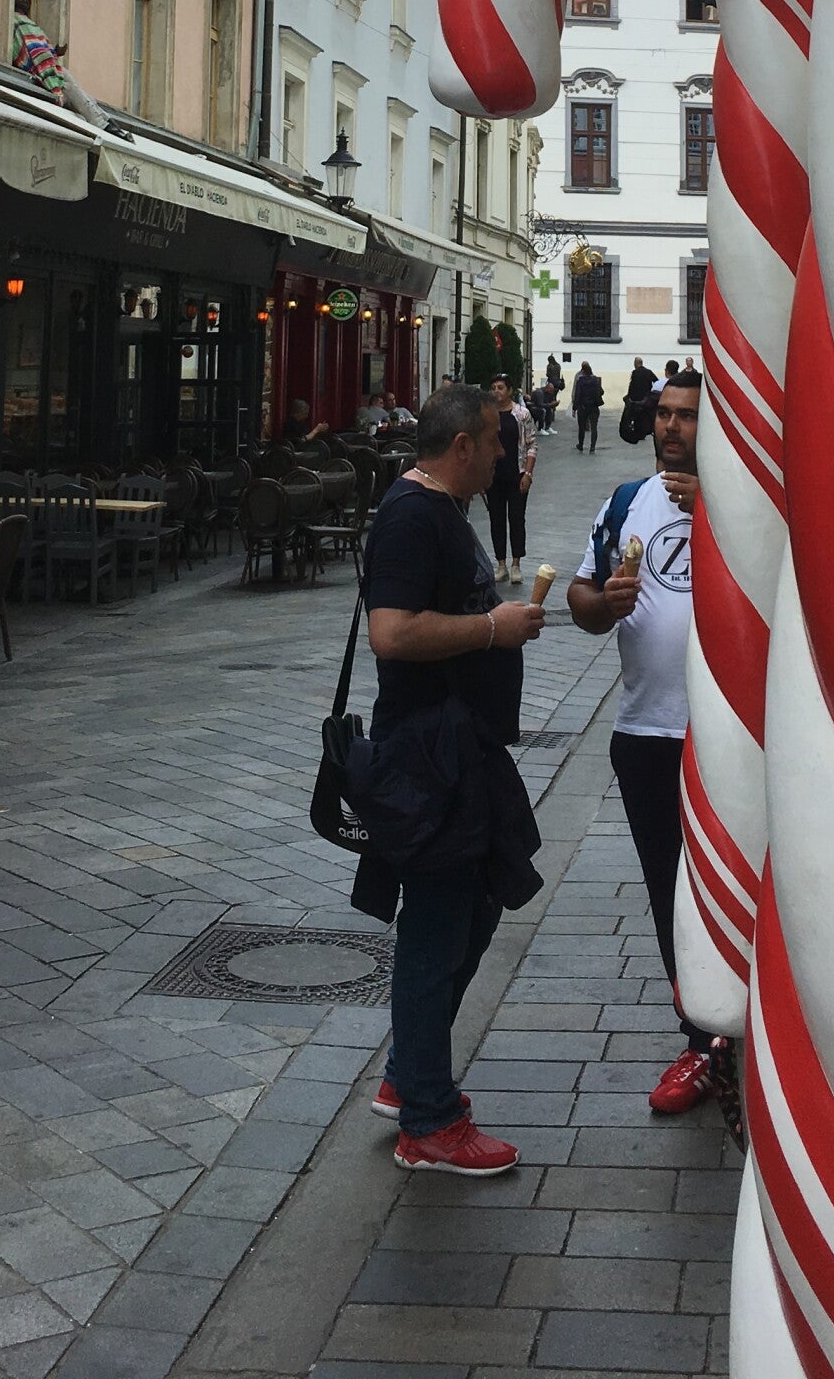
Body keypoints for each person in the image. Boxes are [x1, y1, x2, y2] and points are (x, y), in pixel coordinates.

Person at [358, 382, 543, 1175]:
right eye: (496, 440)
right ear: (462, 445)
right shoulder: (411, 516)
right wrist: (493, 628)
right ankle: (429, 1123)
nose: (503, 452)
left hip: (461, 750)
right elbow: (392, 634)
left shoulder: (442, 509)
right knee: (435, 932)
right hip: (428, 757)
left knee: (477, 905)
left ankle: (410, 1073)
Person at [569, 372, 715, 1113]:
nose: (672, 427)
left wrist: (718, 510)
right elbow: (581, 599)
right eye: (664, 414)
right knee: (669, 892)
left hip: (728, 741)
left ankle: (747, 1033)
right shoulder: (627, 502)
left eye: (687, 415)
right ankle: (700, 1041)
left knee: (734, 892)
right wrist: (603, 602)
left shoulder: (747, 503)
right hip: (646, 733)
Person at [484, 376, 536, 585]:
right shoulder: (487, 415)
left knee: (516, 518)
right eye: (493, 387)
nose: (497, 391)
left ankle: (516, 564)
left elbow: (531, 444)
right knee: (496, 519)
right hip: (493, 476)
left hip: (516, 473)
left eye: (501, 387)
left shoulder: (522, 414)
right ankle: (501, 564)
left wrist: (528, 474)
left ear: (510, 390)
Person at [571, 361, 604, 452]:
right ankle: (592, 446)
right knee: (594, 427)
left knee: (581, 427)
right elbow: (601, 392)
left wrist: (574, 407)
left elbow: (577, 395)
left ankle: (581, 444)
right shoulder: (595, 380)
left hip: (583, 407)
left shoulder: (580, 381)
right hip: (593, 406)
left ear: (583, 372)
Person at [542, 354, 563, 434]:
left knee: (550, 399)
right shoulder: (558, 365)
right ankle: (553, 414)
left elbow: (548, 374)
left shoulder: (549, 366)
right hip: (557, 384)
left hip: (551, 384)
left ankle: (550, 414)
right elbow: (559, 374)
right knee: (554, 398)